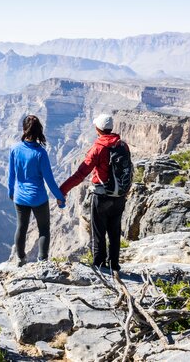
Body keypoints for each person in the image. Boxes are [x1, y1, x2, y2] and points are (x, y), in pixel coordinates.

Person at [59, 114, 129, 272]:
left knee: (98, 232)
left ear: (98, 129)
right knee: (114, 232)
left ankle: (99, 266)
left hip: (101, 196)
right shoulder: (123, 145)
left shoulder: (98, 148)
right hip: (119, 196)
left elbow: (80, 174)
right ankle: (114, 265)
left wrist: (62, 190)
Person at [8, 115, 65, 266]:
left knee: (21, 227)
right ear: (39, 130)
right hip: (38, 198)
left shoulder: (14, 149)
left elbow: (11, 174)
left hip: (20, 197)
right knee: (44, 229)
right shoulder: (40, 153)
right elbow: (50, 180)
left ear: (23, 129)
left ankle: (20, 258)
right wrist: (60, 197)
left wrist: (10, 192)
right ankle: (43, 260)